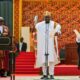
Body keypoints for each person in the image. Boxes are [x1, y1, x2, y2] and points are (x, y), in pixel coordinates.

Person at [35, 11, 61, 79]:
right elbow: (36, 26)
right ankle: (44, 74)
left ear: (50, 17)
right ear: (44, 18)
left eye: (48, 17)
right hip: (43, 45)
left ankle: (51, 74)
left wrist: (57, 32)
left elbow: (58, 27)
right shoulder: (40, 24)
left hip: (50, 45)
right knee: (44, 60)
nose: (47, 19)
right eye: (46, 17)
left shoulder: (54, 24)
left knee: (51, 60)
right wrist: (35, 20)